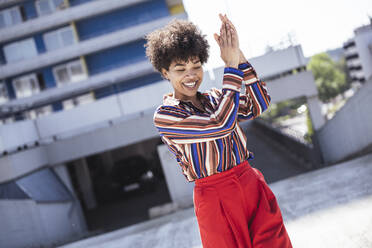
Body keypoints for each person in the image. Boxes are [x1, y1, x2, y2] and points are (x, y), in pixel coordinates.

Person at [145, 13, 293, 248]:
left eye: (196, 66)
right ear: (165, 72)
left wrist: (239, 58)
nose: (191, 75)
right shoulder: (166, 115)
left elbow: (259, 103)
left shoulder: (218, 98)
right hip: (214, 197)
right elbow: (220, 125)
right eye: (180, 69)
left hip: (251, 184)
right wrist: (231, 68)